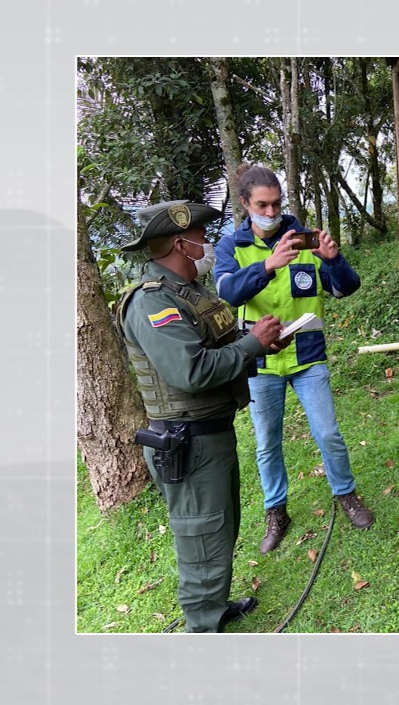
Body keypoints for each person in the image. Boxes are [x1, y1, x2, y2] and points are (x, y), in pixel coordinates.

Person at [113, 199, 285, 632]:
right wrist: (251, 346)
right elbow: (189, 370)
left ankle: (213, 605)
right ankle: (202, 629)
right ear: (181, 245)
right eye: (200, 239)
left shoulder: (188, 294)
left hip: (209, 432)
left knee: (218, 528)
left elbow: (210, 344)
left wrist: (255, 343)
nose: (206, 245)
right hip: (186, 441)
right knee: (200, 535)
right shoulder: (152, 303)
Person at [214, 164, 374, 553]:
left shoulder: (304, 239)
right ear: (245, 204)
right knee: (267, 442)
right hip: (261, 361)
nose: (270, 214)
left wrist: (334, 260)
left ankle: (346, 494)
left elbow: (345, 288)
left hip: (307, 356)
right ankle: (276, 511)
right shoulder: (231, 247)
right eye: (261, 206)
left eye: (276, 204)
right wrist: (268, 266)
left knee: (328, 432)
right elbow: (227, 292)